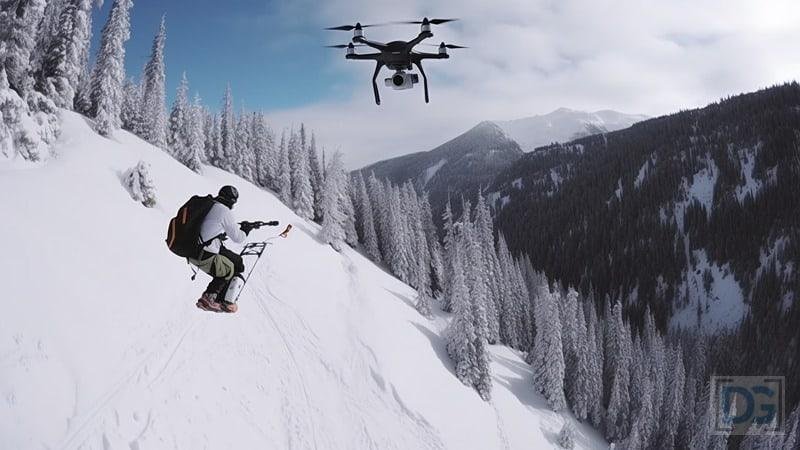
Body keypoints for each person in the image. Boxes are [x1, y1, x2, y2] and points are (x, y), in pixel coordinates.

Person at [190, 185, 259, 313]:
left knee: (238, 261)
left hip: (193, 249)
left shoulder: (209, 206)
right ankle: (212, 299)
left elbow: (208, 226)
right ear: (232, 200)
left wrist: (219, 234)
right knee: (230, 268)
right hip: (204, 253)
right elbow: (238, 238)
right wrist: (246, 229)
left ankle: (219, 299)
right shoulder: (224, 211)